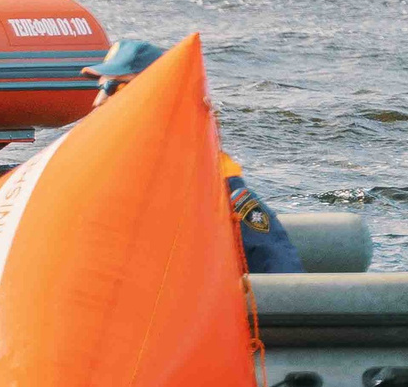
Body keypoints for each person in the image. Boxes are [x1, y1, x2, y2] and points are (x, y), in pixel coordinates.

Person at [86, 38, 302, 274]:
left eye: (113, 88)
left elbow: (282, 273)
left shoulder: (221, 192)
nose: (99, 102)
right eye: (100, 88)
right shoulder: (103, 178)